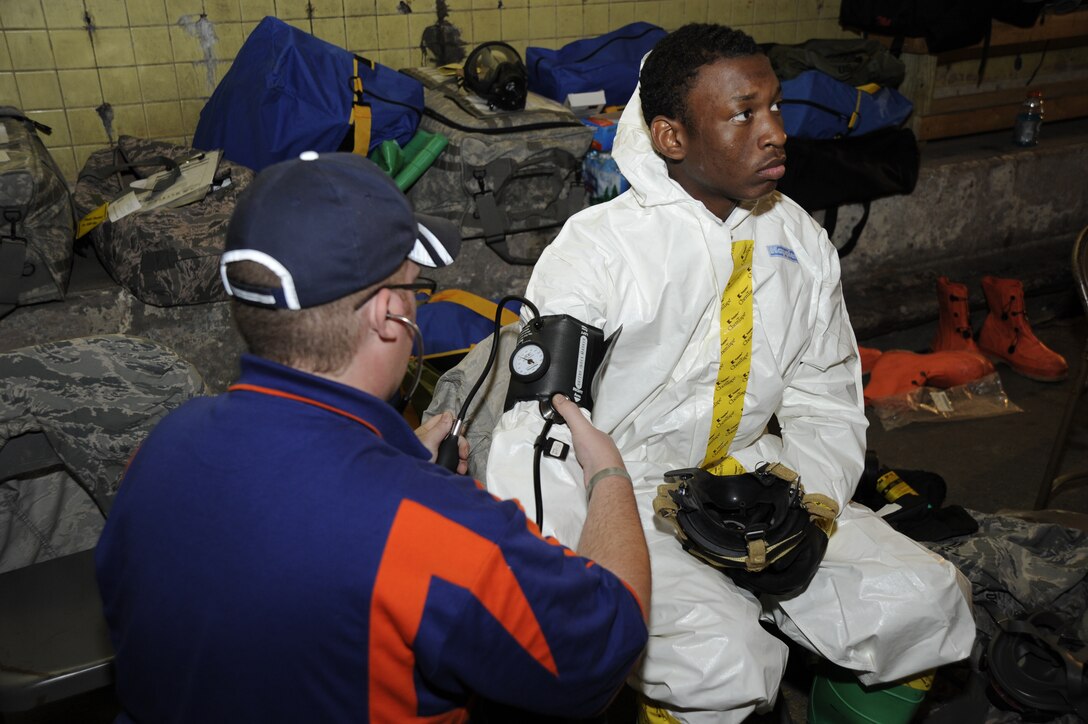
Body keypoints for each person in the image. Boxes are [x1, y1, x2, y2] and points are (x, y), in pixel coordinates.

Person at [484, 23, 976, 723]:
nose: (775, 131)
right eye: (743, 113)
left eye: (774, 107)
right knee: (722, 660)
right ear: (671, 137)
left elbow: (824, 399)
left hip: (759, 483)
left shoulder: (798, 238)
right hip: (622, 496)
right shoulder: (596, 253)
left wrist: (811, 510)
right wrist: (583, 571)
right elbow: (538, 436)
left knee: (925, 603)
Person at [94, 152, 650, 723]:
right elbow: (608, 647)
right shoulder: (436, 530)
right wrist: (609, 476)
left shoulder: (161, 446)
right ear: (389, 315)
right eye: (416, 289)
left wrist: (393, 463)